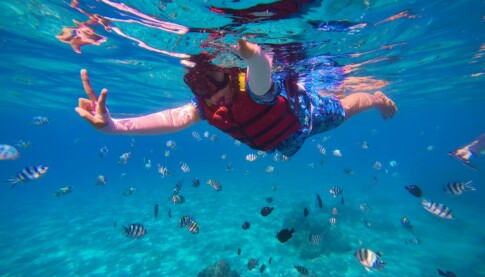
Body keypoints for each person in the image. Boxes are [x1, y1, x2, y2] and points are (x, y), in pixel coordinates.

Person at [76, 39, 397, 157]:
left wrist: (255, 56)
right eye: (197, 86)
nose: (209, 95)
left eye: (213, 80)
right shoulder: (208, 104)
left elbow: (259, 77)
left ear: (230, 74)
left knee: (346, 108)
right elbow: (172, 119)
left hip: (302, 120)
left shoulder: (253, 89)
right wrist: (113, 127)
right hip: (276, 140)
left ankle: (376, 97)